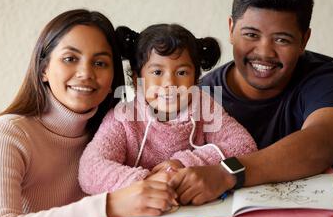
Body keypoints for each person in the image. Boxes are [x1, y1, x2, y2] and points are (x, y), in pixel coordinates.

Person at [0, 9, 177, 217]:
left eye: (100, 63)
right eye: (71, 59)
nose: (86, 73)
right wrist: (110, 204)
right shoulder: (7, 135)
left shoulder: (111, 139)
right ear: (44, 70)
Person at [170, 0, 333, 214]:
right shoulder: (201, 96)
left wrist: (226, 173)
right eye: (251, 35)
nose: (264, 52)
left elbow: (319, 144)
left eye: (282, 39)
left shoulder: (331, 82)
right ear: (230, 29)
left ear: (304, 40)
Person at [78, 24, 257, 196]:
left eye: (181, 73)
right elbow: (90, 170)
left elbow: (244, 145)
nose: (170, 83)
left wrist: (185, 162)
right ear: (136, 78)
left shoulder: (205, 108)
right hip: (142, 212)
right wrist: (149, 182)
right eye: (157, 72)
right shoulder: (123, 119)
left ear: (195, 78)